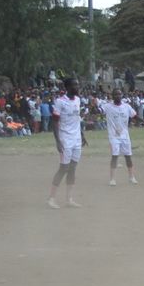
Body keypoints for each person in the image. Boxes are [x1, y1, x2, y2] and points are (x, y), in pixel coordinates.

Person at [47, 78, 87, 209]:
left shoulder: (77, 100)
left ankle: (69, 199)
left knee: (73, 169)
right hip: (65, 139)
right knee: (63, 168)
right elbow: (54, 122)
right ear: (68, 87)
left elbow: (77, 119)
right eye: (75, 84)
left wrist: (82, 135)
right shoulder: (60, 102)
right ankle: (51, 199)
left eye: (78, 84)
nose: (78, 86)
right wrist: (58, 141)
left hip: (76, 139)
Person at [100, 89, 139, 186]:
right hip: (113, 136)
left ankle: (131, 177)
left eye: (119, 94)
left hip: (125, 136)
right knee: (115, 156)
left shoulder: (126, 107)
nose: (118, 96)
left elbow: (134, 116)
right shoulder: (108, 106)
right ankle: (112, 179)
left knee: (128, 156)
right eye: (115, 94)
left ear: (122, 95)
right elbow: (99, 110)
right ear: (112, 96)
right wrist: (95, 106)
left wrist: (143, 121)